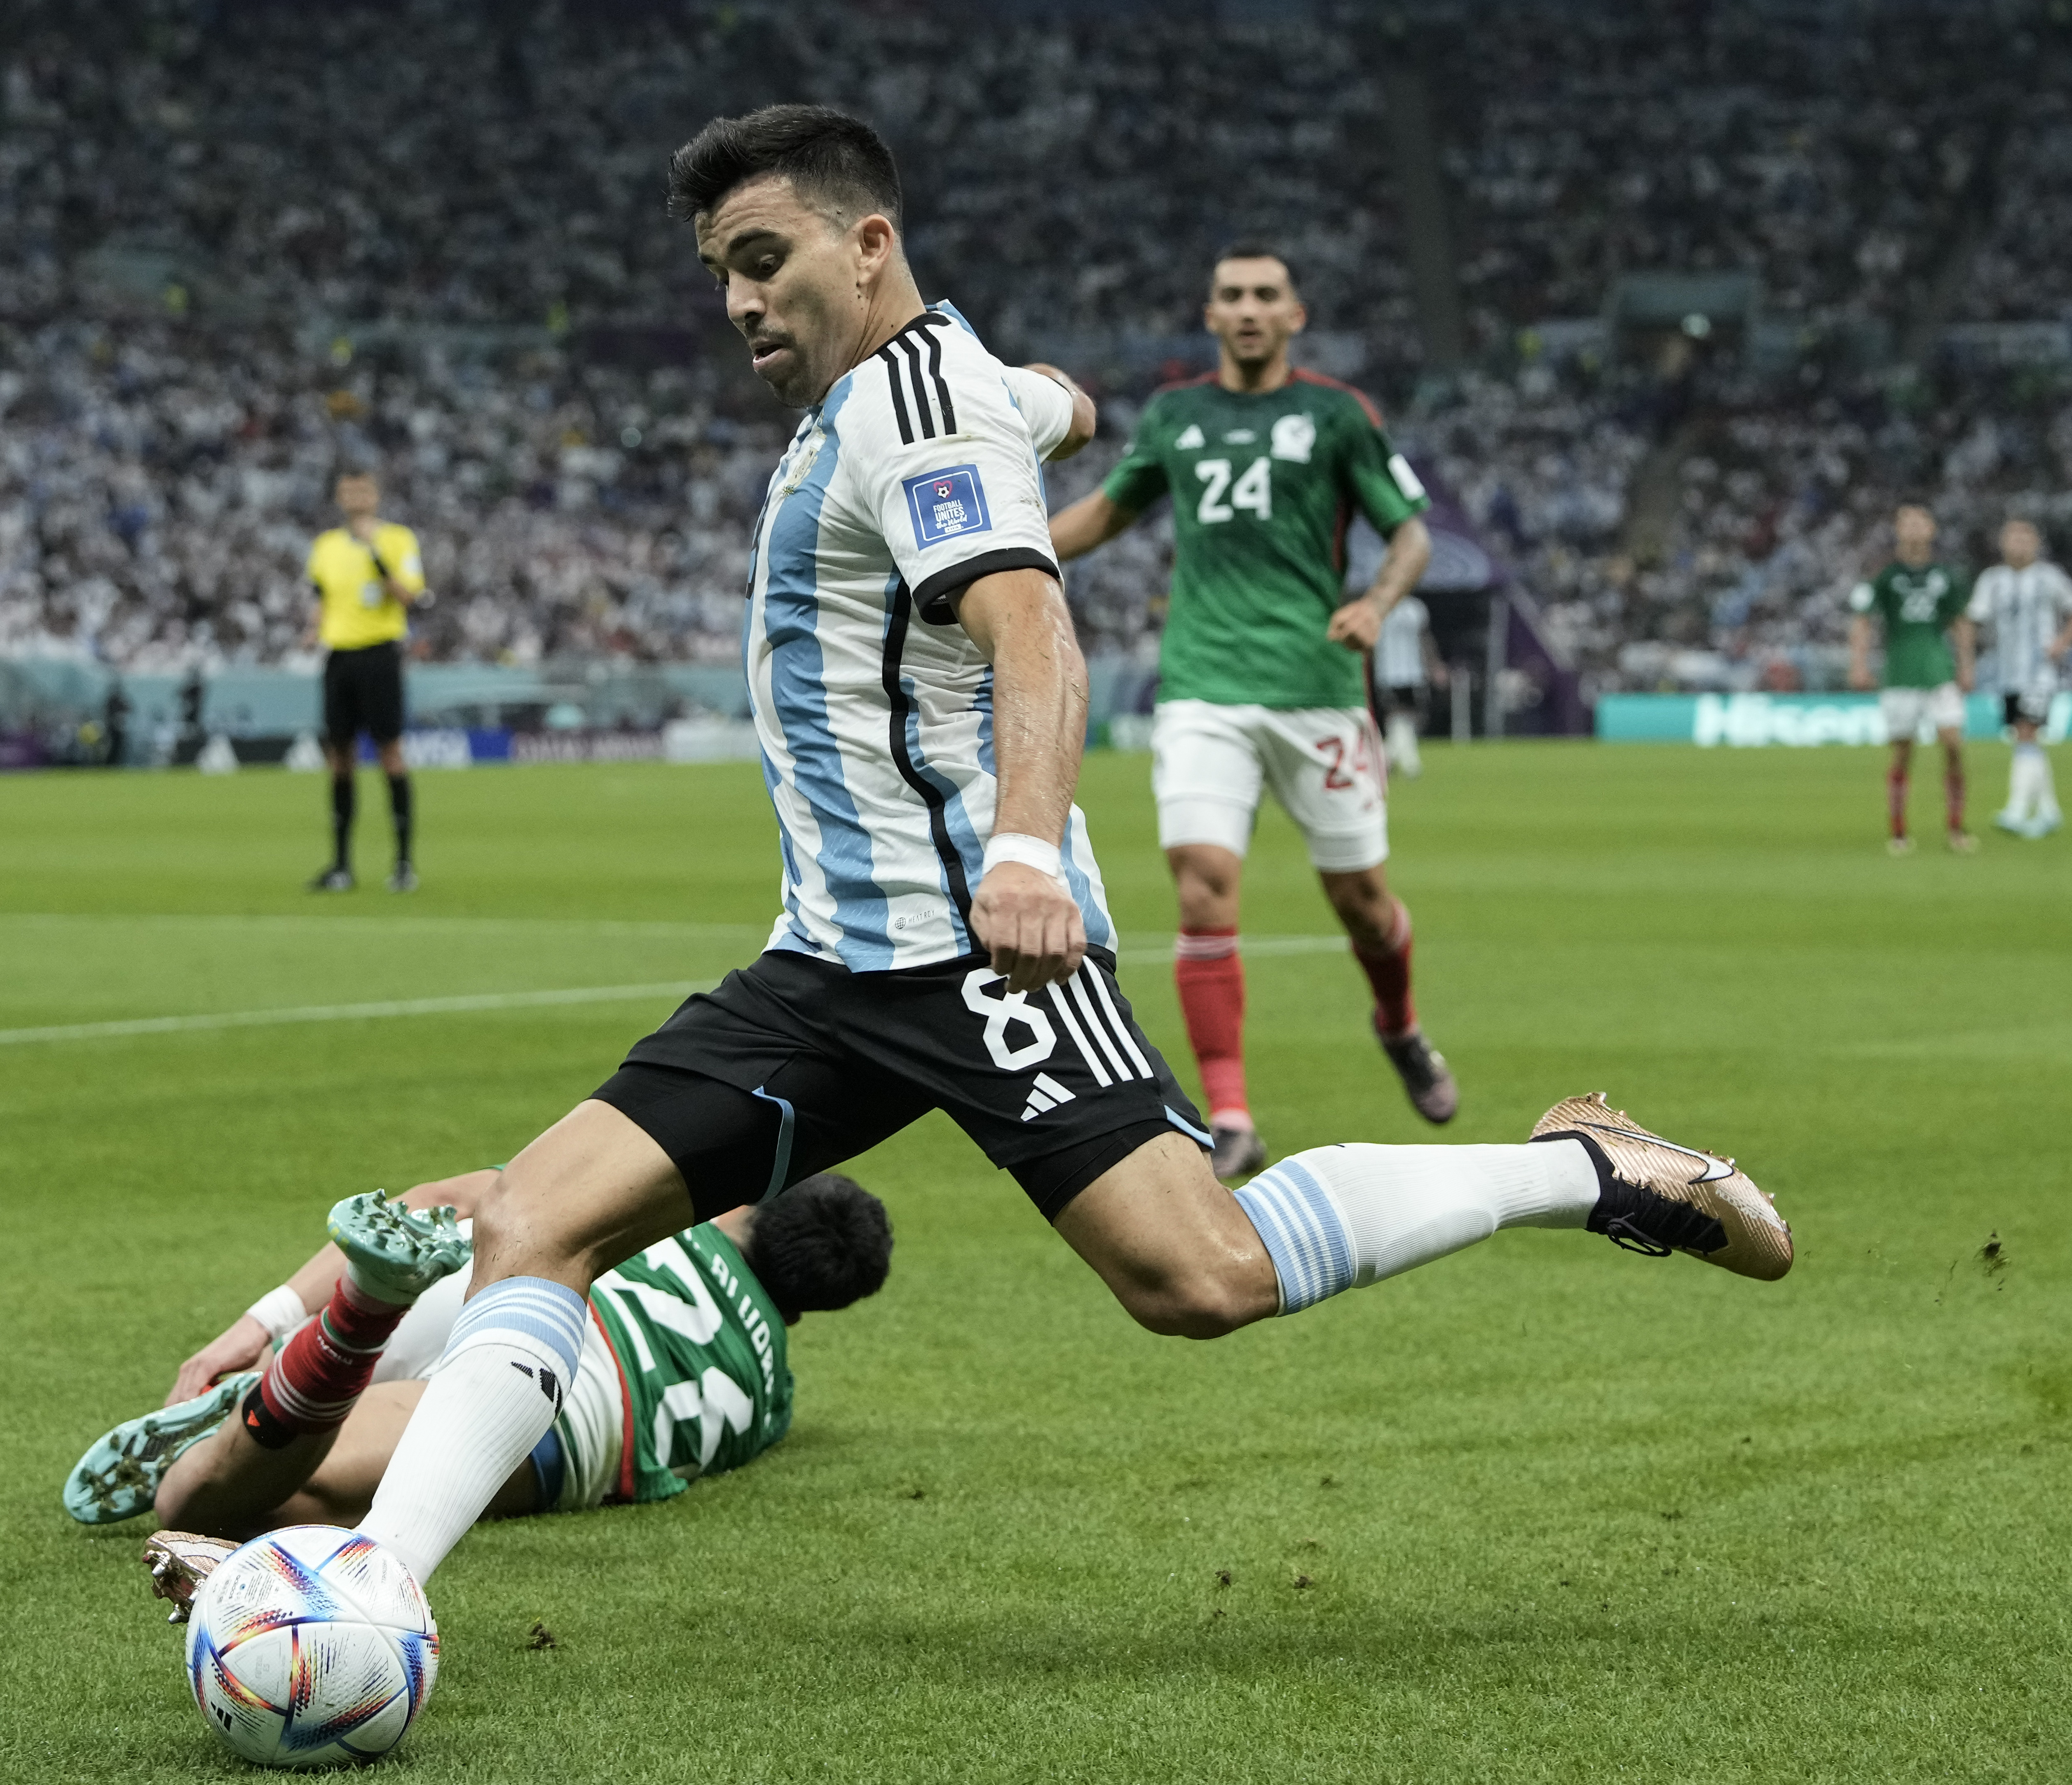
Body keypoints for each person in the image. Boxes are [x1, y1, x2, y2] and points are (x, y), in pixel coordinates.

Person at [291, 111, 1786, 1741]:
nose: (737, 300)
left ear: (870, 243)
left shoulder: (915, 411)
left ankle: (1583, 1162)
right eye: (721, 271)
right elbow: (1050, 405)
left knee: (1199, 1274)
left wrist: (1021, 850)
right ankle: (374, 1579)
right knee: (537, 1218)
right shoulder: (930, 394)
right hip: (824, 959)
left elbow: (1034, 627)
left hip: (965, 945)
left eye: (763, 258)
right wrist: (1056, 405)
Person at [1047, 246, 1453, 1178]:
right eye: (1231, 295)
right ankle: (1230, 1113)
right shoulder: (1176, 415)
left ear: (1295, 315)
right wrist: (996, 553)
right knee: (1201, 885)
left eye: (1266, 295)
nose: (1248, 309)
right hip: (1202, 685)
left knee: (1361, 900)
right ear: (1211, 313)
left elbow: (1412, 532)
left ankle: (1399, 1022)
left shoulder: (1339, 414)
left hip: (1317, 685)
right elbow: (1107, 512)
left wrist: (1379, 602)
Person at [63, 1171, 892, 1587]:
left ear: (747, 1210)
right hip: (569, 1410)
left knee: (486, 1215)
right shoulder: (768, 1394)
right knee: (207, 1503)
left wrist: (259, 1320)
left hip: (507, 1288)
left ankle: (315, 1340)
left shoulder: (665, 1214)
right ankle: (329, 1362)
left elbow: (426, 1196)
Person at [305, 469, 428, 893]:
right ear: (340, 496)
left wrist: (377, 560)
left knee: (390, 754)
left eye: (363, 489)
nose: (355, 496)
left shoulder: (397, 540)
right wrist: (312, 630)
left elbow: (410, 596)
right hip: (338, 656)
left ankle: (403, 864)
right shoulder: (326, 546)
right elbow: (321, 596)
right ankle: (341, 865)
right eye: (348, 490)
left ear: (376, 495)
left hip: (380, 653)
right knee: (339, 758)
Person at [1847, 504, 1977, 856]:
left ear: (1932, 529)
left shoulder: (1948, 576)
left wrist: (1967, 665)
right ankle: (1899, 831)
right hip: (1900, 674)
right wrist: (1858, 664)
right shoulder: (1886, 576)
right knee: (1903, 754)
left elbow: (1961, 622)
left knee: (1952, 744)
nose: (1915, 528)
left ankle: (1956, 828)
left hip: (1938, 671)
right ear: (1898, 530)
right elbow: (1863, 620)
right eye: (1908, 522)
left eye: (1921, 522)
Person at [1966, 518, 2072, 839]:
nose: (2019, 544)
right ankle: (2049, 811)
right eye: (2013, 538)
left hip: (2040, 672)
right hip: (2006, 673)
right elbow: (1974, 618)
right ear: (2003, 544)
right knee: (2025, 736)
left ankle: (2016, 809)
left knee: (2026, 732)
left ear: (2036, 543)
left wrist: (2060, 644)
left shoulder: (2049, 578)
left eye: (2025, 538)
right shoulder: (1992, 580)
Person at [1373, 591, 1441, 780]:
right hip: (1388, 673)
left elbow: (1424, 639)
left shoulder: (1416, 608)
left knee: (1411, 719)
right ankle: (1411, 765)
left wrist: (1434, 665)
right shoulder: (1380, 608)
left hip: (1413, 673)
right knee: (1398, 717)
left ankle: (1386, 759)